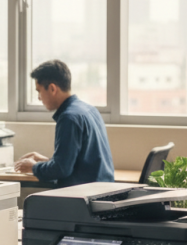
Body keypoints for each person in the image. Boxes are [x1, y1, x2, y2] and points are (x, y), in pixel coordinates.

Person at [14, 59, 114, 187]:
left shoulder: (69, 118)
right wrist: (46, 161)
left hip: (82, 197)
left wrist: (33, 167)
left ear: (52, 88)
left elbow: (62, 170)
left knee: (27, 203)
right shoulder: (89, 110)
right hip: (103, 192)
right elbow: (77, 163)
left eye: (39, 91)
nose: (39, 98)